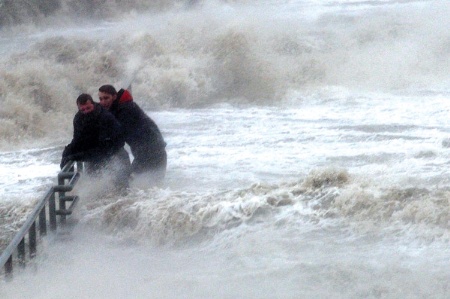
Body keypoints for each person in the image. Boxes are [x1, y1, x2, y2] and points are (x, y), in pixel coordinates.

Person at [98, 85, 167, 185]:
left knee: (133, 186)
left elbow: (115, 133)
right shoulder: (120, 107)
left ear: (114, 97)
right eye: (100, 99)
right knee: (149, 189)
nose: (103, 102)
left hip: (152, 152)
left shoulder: (125, 110)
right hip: (151, 150)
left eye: (106, 98)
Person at [60, 93, 131, 191]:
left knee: (122, 191)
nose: (86, 112)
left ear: (93, 104)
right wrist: (67, 154)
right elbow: (78, 140)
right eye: (83, 110)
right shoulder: (79, 118)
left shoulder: (105, 117)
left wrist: (77, 156)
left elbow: (103, 149)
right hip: (95, 155)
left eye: (88, 108)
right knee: (94, 189)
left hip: (115, 154)